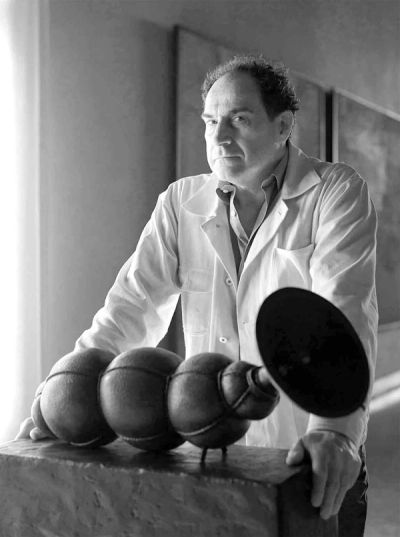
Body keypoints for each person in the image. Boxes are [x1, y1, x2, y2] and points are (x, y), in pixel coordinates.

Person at [17, 55, 378, 535]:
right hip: (211, 456)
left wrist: (335, 432)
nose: (220, 137)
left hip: (304, 455)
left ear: (283, 126)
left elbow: (343, 312)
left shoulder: (335, 192)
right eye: (210, 121)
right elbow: (130, 308)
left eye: (239, 119)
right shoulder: (179, 202)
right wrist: (63, 396)